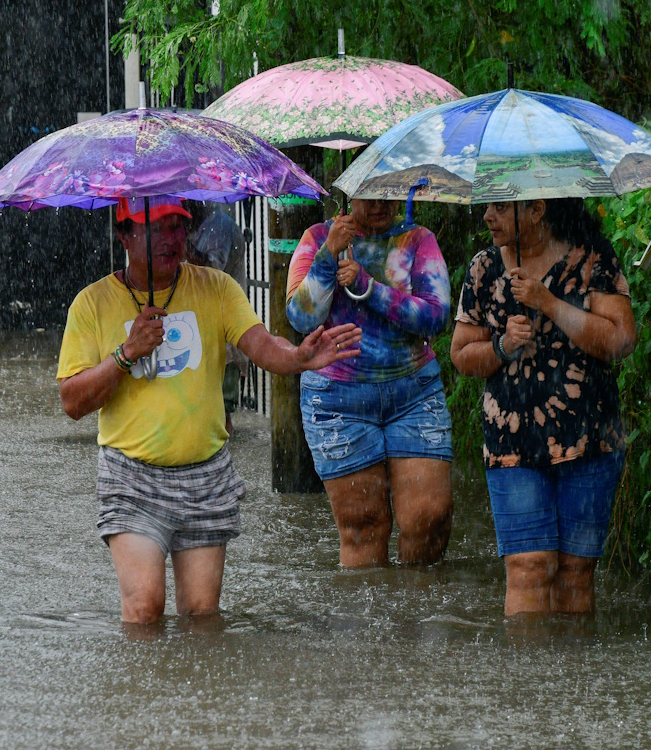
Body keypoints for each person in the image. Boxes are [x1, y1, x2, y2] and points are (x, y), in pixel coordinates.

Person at [57, 197, 360, 624]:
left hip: (206, 475)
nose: (172, 239)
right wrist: (126, 354)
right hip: (131, 477)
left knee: (202, 617)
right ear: (124, 234)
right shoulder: (91, 304)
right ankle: (141, 693)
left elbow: (259, 343)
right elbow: (72, 402)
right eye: (157, 229)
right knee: (144, 608)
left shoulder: (215, 287)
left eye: (178, 227)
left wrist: (299, 358)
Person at [449, 198, 636, 615]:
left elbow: (621, 341)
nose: (487, 217)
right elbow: (461, 355)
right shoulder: (484, 268)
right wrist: (503, 345)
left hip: (589, 439)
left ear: (536, 209)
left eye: (500, 207)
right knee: (528, 567)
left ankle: (571, 679)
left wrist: (548, 303)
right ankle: (526, 682)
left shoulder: (592, 258)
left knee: (574, 573)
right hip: (511, 442)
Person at [286, 198, 454, 568]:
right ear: (349, 193)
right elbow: (301, 317)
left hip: (414, 393)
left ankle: (419, 615)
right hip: (336, 400)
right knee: (363, 526)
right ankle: (369, 623)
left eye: (389, 192)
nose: (381, 203)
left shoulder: (417, 240)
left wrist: (368, 286)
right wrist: (329, 254)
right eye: (369, 195)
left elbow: (437, 317)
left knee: (429, 518)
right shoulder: (317, 238)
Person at [186, 202, 248, 432]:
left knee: (221, 410)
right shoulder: (201, 229)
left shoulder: (219, 227)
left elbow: (211, 272)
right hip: (204, 324)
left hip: (223, 321)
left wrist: (183, 245)